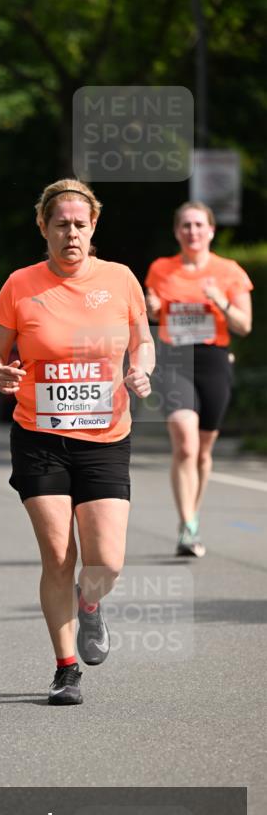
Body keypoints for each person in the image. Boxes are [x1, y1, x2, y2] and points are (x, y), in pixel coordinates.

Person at [0, 179, 154, 705]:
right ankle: (65, 667)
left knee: (106, 561)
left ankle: (91, 605)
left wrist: (140, 371)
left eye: (80, 224)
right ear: (44, 227)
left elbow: (142, 340)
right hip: (39, 436)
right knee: (58, 554)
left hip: (104, 436)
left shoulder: (121, 280)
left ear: (93, 226)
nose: (71, 233)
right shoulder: (20, 285)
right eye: (61, 224)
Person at [145, 201, 253, 558]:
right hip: (174, 360)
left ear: (210, 231)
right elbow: (153, 309)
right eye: (186, 226)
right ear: (177, 232)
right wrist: (153, 307)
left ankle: (193, 517)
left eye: (198, 225)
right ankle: (187, 526)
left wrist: (220, 301)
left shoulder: (229, 271)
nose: (192, 231)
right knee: (185, 442)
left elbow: (244, 325)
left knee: (204, 450)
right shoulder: (162, 269)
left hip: (214, 360)